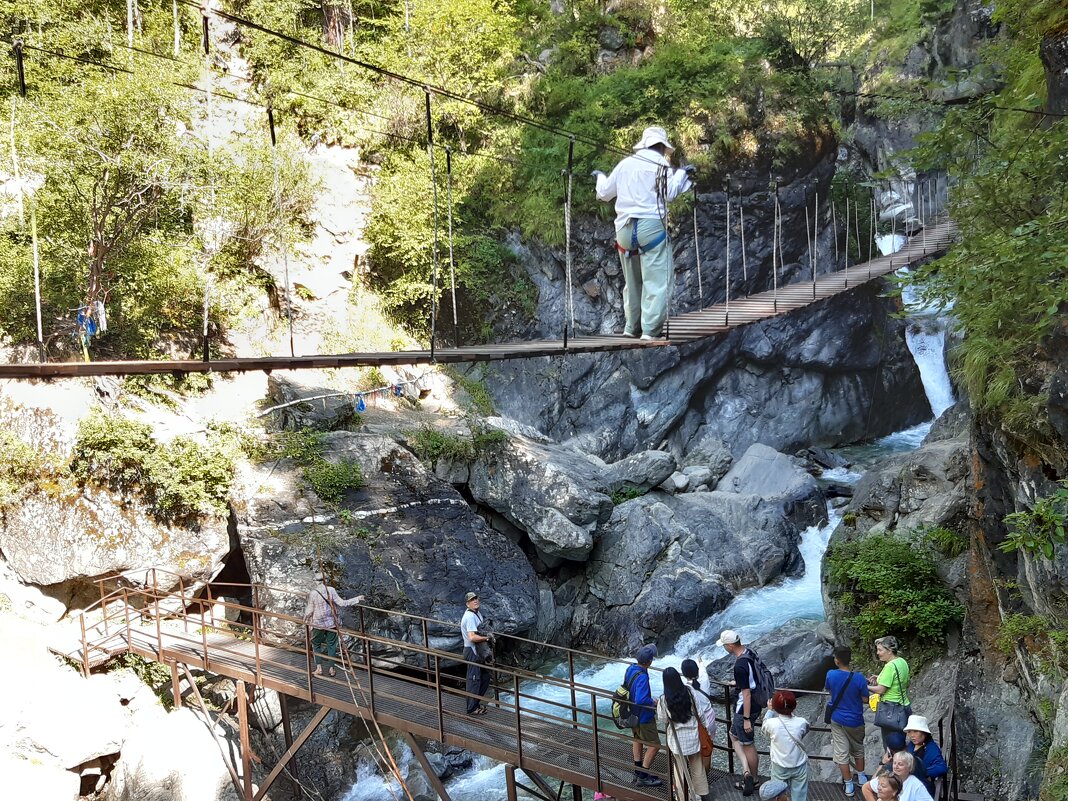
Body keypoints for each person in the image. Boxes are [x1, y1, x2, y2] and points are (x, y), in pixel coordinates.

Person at [593, 125, 693, 340]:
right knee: (657, 281)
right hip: (650, 228)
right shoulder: (660, 164)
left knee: (632, 282)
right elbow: (670, 193)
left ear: (644, 145)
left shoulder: (625, 164)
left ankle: (631, 327)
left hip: (624, 230)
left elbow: (604, 193)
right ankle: (650, 331)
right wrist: (682, 174)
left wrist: (600, 176)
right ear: (662, 147)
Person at [656, 667, 711, 801]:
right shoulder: (689, 691)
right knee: (697, 765)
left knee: (679, 769)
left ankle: (682, 796)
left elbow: (663, 718)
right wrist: (706, 729)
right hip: (693, 736)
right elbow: (700, 712)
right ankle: (700, 793)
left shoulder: (664, 699)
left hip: (677, 741)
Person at [716, 628, 760, 796]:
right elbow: (753, 678)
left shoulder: (739, 665)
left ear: (730, 645)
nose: (724, 648)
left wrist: (746, 718)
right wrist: (739, 683)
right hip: (756, 702)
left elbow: (746, 694)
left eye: (724, 645)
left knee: (748, 744)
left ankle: (753, 779)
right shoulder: (749, 652)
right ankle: (747, 771)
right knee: (733, 735)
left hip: (745, 709)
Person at [824, 645, 870, 797]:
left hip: (837, 718)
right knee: (858, 749)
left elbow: (829, 689)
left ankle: (849, 785)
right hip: (855, 719)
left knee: (841, 752)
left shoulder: (831, 674)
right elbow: (865, 699)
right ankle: (861, 777)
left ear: (837, 660)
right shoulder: (859, 678)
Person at [302, 571, 364, 677]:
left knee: (316, 644)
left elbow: (310, 610)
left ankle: (319, 668)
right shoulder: (331, 590)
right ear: (325, 581)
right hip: (331, 623)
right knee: (331, 645)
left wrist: (304, 620)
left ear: (317, 582)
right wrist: (357, 599)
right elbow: (342, 603)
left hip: (318, 624)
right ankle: (331, 668)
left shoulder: (313, 593)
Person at [624, 644, 663, 786]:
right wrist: (653, 701)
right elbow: (641, 699)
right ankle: (643, 776)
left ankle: (638, 769)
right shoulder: (643, 677)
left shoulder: (631, 668)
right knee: (654, 745)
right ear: (650, 662)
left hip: (632, 713)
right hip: (644, 717)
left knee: (637, 739)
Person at [762, 690, 810, 801]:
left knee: (778, 794)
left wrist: (770, 711)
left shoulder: (771, 724)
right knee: (800, 796)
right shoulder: (802, 722)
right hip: (799, 764)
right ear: (794, 706)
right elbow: (804, 732)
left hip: (779, 765)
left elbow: (764, 729)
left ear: (774, 706)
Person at [868, 635, 911, 746]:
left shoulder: (890, 666)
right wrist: (879, 678)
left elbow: (881, 690)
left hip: (890, 711)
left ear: (889, 650)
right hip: (903, 708)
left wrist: (864, 686)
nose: (877, 653)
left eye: (880, 650)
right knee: (900, 743)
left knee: (890, 746)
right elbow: (901, 680)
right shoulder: (902, 661)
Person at [680, 658, 716, 772]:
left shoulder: (685, 688)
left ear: (683, 673)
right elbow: (703, 668)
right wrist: (700, 661)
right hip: (710, 717)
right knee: (708, 746)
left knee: (697, 748)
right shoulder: (704, 678)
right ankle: (706, 774)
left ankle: (697, 774)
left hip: (697, 721)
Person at [460, 591, 493, 715]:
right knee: (474, 679)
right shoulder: (469, 617)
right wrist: (487, 638)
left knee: (485, 677)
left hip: (478, 651)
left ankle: (476, 703)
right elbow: (472, 637)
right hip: (471, 650)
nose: (475, 601)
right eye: (472, 600)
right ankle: (471, 708)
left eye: (476, 598)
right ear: (467, 603)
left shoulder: (477, 613)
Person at [861, 751, 932, 801]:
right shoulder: (887, 777)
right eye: (894, 763)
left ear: (909, 767)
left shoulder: (915, 784)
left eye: (900, 764)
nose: (896, 767)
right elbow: (866, 787)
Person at [904, 715, 947, 795]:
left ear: (924, 733)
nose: (912, 735)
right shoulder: (912, 744)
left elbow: (942, 767)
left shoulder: (931, 748)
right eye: (909, 732)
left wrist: (923, 772)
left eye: (915, 731)